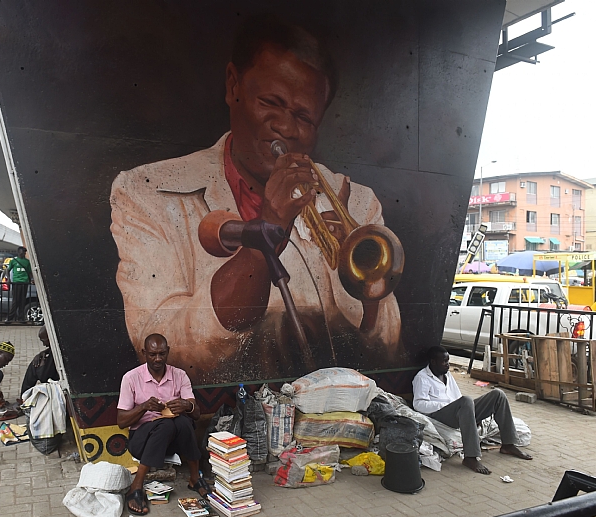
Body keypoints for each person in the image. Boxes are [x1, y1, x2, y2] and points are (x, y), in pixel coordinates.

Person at [110, 15, 402, 382]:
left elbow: (389, 348)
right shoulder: (145, 190)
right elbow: (162, 345)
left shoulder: (355, 202)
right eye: (271, 102)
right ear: (233, 85)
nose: (284, 127)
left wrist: (363, 291)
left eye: (304, 117)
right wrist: (267, 231)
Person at [117, 334, 209, 516]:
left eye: (161, 354)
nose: (157, 359)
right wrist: (143, 407)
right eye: (152, 354)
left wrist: (186, 405)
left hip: (172, 441)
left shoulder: (179, 375)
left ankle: (194, 478)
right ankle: (136, 487)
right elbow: (121, 421)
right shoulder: (131, 378)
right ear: (144, 353)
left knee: (183, 421)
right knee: (166, 425)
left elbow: (196, 414)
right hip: (141, 442)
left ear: (168, 352)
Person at [412, 346, 532, 474]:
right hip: (440, 415)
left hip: (458, 411)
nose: (448, 364)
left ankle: (508, 444)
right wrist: (446, 405)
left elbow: (458, 397)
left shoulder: (447, 375)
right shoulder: (422, 378)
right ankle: (470, 457)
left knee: (498, 394)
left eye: (448, 361)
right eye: (444, 361)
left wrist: (468, 412)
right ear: (433, 362)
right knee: (466, 401)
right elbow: (418, 404)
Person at [20, 326, 60, 396]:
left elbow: (44, 377)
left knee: (35, 365)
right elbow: (51, 348)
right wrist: (42, 353)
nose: (44, 344)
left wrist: (42, 364)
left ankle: (24, 396)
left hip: (55, 379)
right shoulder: (56, 344)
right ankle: (24, 395)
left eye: (44, 341)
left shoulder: (56, 351)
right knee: (35, 362)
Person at [4, 246, 33, 324]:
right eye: (23, 252)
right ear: (19, 252)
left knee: (22, 301)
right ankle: (10, 318)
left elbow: (30, 272)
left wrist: (32, 279)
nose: (24, 253)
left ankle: (21, 318)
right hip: (16, 283)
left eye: (25, 252)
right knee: (15, 301)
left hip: (24, 282)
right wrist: (9, 279)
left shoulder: (27, 262)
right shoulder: (13, 261)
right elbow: (7, 269)